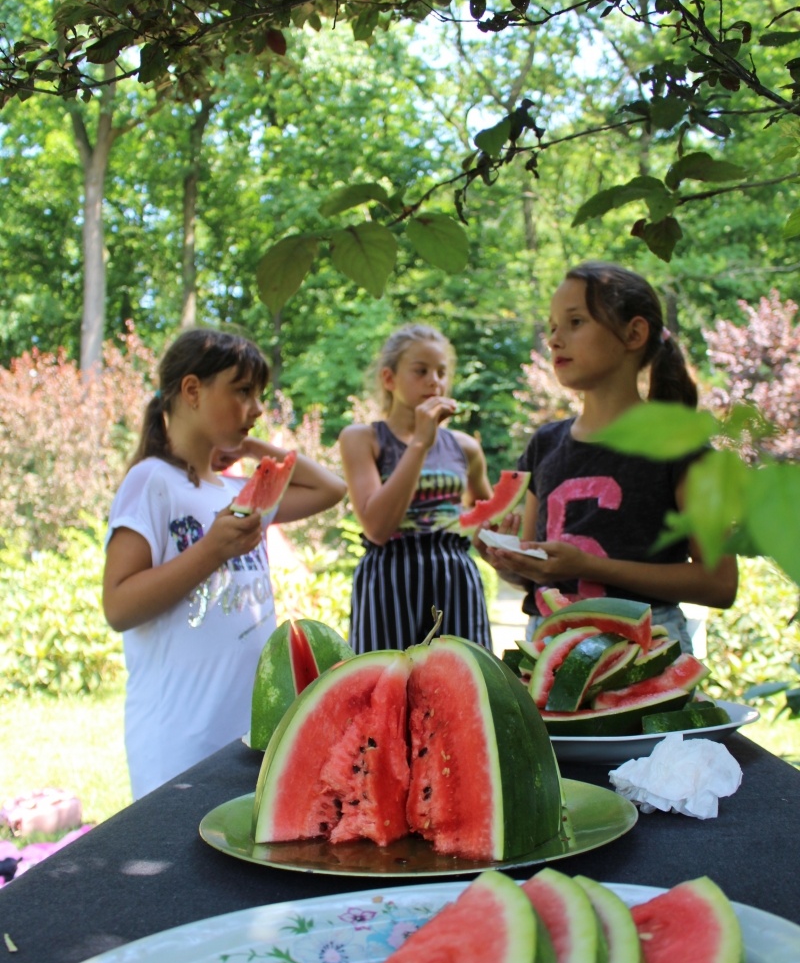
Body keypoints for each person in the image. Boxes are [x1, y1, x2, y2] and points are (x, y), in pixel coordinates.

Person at [103, 328, 347, 800]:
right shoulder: (151, 481)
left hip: (250, 732)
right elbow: (118, 605)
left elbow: (330, 489)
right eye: (242, 391)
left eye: (258, 395)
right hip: (179, 739)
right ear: (192, 390)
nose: (256, 408)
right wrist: (211, 550)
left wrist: (254, 449)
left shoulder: (235, 490)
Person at [480, 262, 738, 651]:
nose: (554, 339)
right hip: (549, 642)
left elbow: (720, 584)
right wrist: (508, 561)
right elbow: (542, 574)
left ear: (633, 333)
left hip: (643, 650)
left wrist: (589, 566)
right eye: (552, 326)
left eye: (575, 322)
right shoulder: (545, 444)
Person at [339, 324, 493, 652]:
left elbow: (489, 521)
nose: (434, 381)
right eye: (420, 371)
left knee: (467, 686)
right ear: (388, 379)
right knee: (385, 690)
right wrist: (421, 441)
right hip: (388, 579)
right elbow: (377, 527)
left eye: (441, 372)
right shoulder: (362, 439)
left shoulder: (465, 447)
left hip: (456, 579)